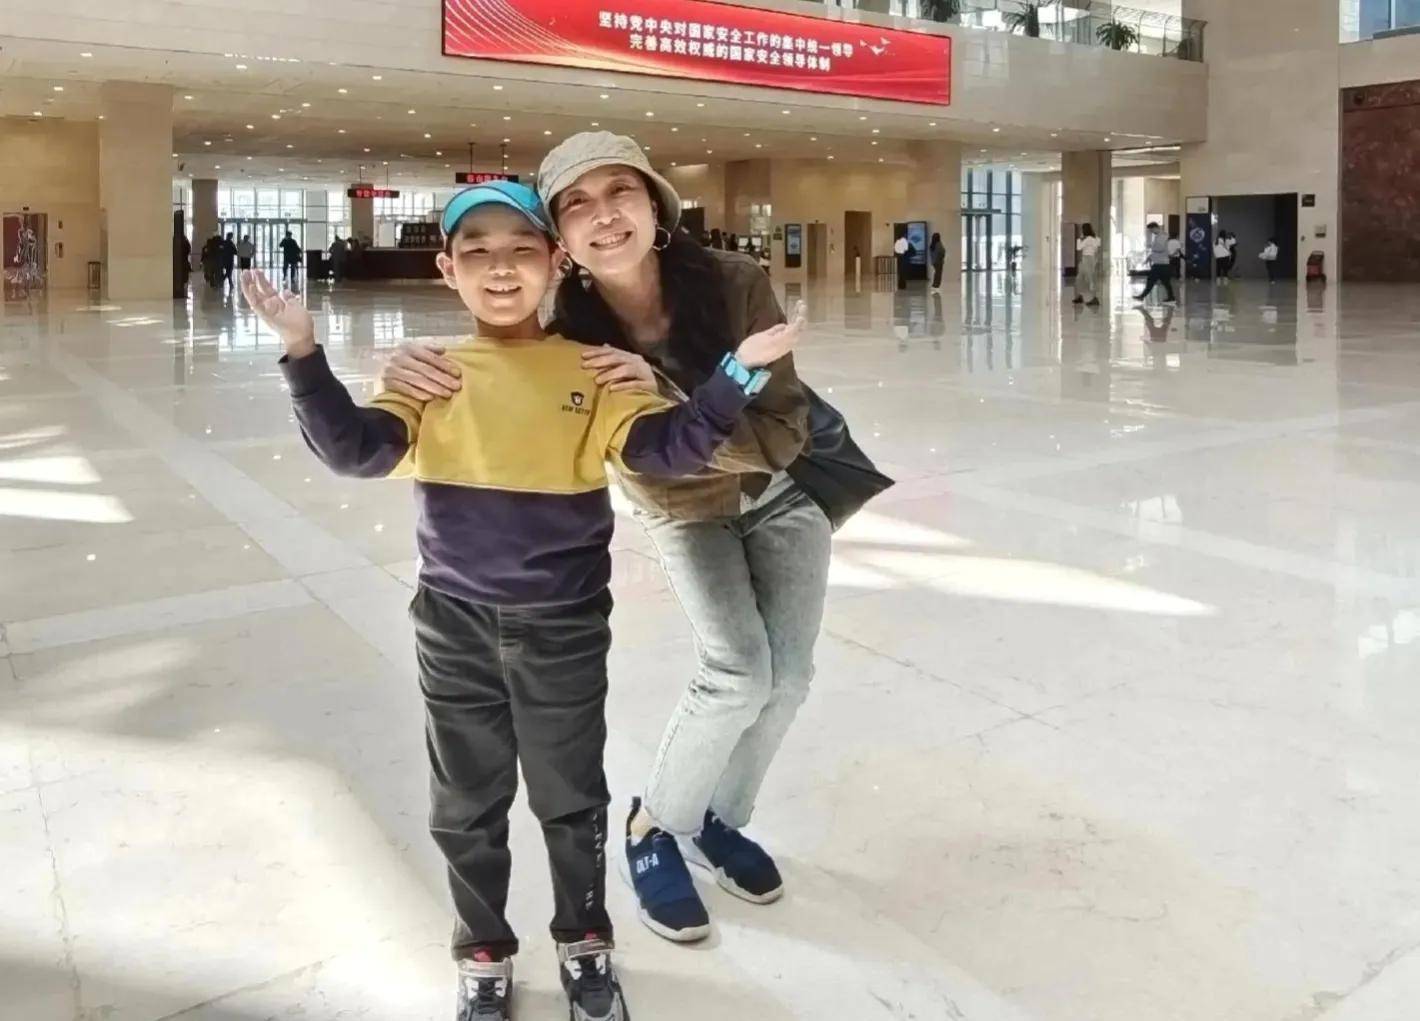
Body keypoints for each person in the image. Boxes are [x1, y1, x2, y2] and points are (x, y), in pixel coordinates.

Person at [242, 180, 804, 1021]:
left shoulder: (592, 368)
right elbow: (357, 450)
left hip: (564, 623)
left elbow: (668, 451)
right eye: (476, 252)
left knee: (571, 795)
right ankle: (482, 949)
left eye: (519, 251)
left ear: (555, 263)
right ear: (447, 269)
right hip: (453, 624)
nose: (499, 268)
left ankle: (584, 939)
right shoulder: (433, 374)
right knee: (465, 803)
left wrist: (735, 373)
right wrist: (301, 352)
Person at [379, 132, 840, 947]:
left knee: (790, 678)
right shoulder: (569, 330)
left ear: (656, 205)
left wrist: (672, 395)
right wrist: (406, 370)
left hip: (781, 493)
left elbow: (782, 429)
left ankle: (717, 818)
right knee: (739, 669)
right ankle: (655, 824)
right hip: (682, 507)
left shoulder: (733, 282)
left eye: (620, 191)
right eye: (576, 203)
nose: (604, 215)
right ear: (561, 239)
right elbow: (515, 383)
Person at [1135, 222, 1176, 304]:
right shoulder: (1158, 236)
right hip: (1160, 263)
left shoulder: (1163, 236)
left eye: (1151, 230)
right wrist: (1149, 257)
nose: (1151, 232)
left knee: (1151, 280)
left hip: (1161, 264)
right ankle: (1171, 297)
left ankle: (1142, 296)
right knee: (1166, 282)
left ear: (1155, 227)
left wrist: (1150, 243)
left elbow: (1159, 248)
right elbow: (1155, 249)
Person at [1073, 223, 1102, 307]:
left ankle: (1094, 298)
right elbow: (1098, 245)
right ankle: (1081, 296)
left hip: (1087, 259)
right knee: (1081, 278)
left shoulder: (1088, 239)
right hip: (1090, 258)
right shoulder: (1094, 238)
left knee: (1089, 279)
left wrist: (1079, 239)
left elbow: (1079, 248)